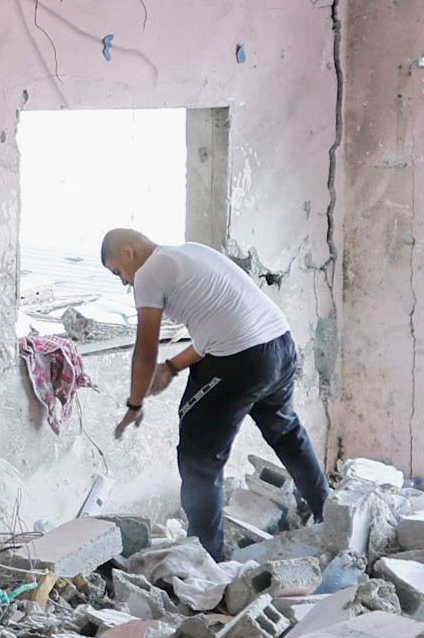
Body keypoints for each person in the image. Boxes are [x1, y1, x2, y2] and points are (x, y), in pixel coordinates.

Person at [102, 228, 330, 558]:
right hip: (280, 346)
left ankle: (205, 557)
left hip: (244, 359)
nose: (124, 282)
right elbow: (221, 329)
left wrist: (134, 403)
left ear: (128, 252)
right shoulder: (191, 252)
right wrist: (173, 366)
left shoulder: (150, 272)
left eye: (117, 272)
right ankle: (327, 512)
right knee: (285, 431)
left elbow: (145, 348)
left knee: (199, 453)